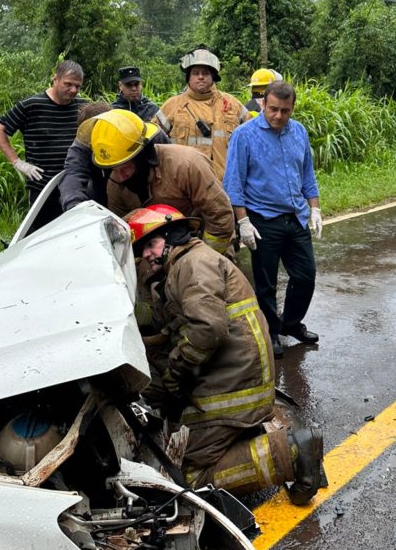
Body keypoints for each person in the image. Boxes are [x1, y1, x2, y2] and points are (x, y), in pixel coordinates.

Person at [128, 204, 328, 504]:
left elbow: (206, 329)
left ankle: (291, 452)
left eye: (150, 244)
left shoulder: (192, 265)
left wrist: (173, 376)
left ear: (173, 237)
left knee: (189, 475)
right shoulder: (187, 264)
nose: (145, 254)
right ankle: (260, 442)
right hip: (235, 378)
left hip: (233, 389)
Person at [223, 80, 322, 359]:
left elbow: (307, 176)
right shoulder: (245, 135)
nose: (279, 116)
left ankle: (290, 323)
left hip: (295, 216)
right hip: (262, 218)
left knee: (305, 276)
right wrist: (243, 222)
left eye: (285, 111)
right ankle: (271, 331)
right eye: (274, 109)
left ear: (292, 109)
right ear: (263, 103)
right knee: (266, 282)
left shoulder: (299, 132)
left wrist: (314, 208)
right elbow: (234, 183)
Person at [59, 109, 235, 254]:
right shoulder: (116, 183)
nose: (119, 177)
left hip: (200, 244)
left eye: (125, 167)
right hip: (157, 256)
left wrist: (205, 257)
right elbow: (125, 235)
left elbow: (220, 215)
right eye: (113, 169)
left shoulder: (187, 165)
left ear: (143, 158)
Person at [0, 60, 84, 226]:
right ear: (55, 79)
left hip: (75, 184)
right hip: (42, 187)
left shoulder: (83, 107)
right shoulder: (32, 105)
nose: (73, 90)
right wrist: (17, 162)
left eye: (77, 86)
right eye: (68, 84)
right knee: (42, 234)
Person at [156, 46, 249, 179]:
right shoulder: (172, 105)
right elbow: (153, 141)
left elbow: (253, 138)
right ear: (188, 77)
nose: (200, 77)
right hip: (183, 184)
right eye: (195, 73)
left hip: (225, 185)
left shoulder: (231, 104)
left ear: (213, 76)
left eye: (205, 73)